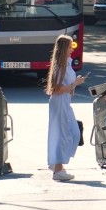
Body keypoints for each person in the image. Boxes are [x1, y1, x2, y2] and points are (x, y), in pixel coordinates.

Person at [45, 35, 88, 181]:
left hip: (65, 102)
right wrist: (76, 83)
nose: (72, 49)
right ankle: (58, 169)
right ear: (64, 48)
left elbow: (65, 87)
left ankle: (59, 166)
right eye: (70, 46)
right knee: (62, 134)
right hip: (59, 102)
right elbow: (56, 89)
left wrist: (75, 83)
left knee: (74, 133)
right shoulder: (60, 65)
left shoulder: (67, 64)